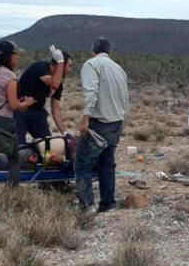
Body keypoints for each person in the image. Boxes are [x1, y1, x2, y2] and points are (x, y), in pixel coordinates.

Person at [76, 37, 129, 213]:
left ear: (93, 50)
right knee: (107, 163)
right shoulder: (119, 69)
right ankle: (107, 203)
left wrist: (85, 118)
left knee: (83, 163)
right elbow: (125, 99)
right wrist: (122, 124)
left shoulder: (92, 65)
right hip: (116, 122)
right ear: (109, 51)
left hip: (99, 123)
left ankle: (86, 205)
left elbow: (91, 93)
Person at [0, 40, 36, 194]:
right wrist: (27, 103)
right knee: (14, 160)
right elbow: (14, 106)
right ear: (8, 56)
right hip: (3, 122)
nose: (17, 57)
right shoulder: (9, 76)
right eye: (15, 54)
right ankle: (12, 194)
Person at [15, 46, 70, 144]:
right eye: (69, 66)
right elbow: (54, 84)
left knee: (47, 146)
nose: (70, 70)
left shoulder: (58, 83)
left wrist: (64, 132)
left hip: (38, 113)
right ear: (60, 65)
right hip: (20, 111)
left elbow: (55, 108)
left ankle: (45, 159)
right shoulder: (40, 67)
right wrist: (61, 61)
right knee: (18, 146)